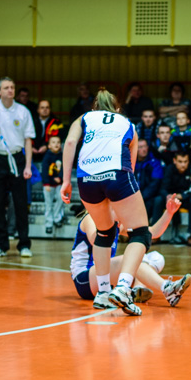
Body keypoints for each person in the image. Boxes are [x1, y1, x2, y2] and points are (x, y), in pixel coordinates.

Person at [61, 87, 150, 316]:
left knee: (104, 232)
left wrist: (66, 181)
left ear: (95, 107)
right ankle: (123, 288)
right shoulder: (127, 123)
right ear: (117, 108)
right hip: (117, 174)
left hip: (86, 178)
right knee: (140, 233)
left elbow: (70, 143)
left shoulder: (84, 118)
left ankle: (102, 293)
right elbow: (131, 166)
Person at [70, 195, 191, 308]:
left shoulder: (116, 224)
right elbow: (96, 241)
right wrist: (116, 225)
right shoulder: (90, 218)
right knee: (130, 259)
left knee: (156, 258)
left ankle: (138, 289)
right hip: (84, 280)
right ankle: (166, 288)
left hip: (106, 278)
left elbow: (153, 233)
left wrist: (169, 213)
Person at [0, 77, 36, 258]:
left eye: (12, 87)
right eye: (6, 88)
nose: (10, 90)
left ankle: (24, 244)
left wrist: (28, 166)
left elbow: (28, 140)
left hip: (17, 158)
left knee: (20, 203)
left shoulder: (23, 111)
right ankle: (0, 245)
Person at [152, 151, 191, 245]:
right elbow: (163, 188)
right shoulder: (169, 169)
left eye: (185, 161)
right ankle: (155, 234)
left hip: (185, 198)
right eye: (180, 161)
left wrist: (182, 196)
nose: (183, 164)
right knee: (158, 200)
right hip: (171, 198)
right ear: (174, 161)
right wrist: (168, 196)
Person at [134, 138, 164, 220]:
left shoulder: (154, 163)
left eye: (145, 146)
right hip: (134, 196)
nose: (143, 149)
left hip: (148, 196)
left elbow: (154, 184)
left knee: (154, 202)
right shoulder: (131, 162)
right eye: (140, 147)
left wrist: (140, 198)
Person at [41, 135, 64, 234]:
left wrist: (61, 177)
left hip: (59, 184)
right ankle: (49, 223)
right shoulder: (47, 156)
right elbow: (44, 170)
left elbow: (64, 168)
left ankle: (57, 218)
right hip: (48, 185)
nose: (56, 144)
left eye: (58, 142)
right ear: (49, 145)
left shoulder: (62, 156)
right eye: (53, 142)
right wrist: (46, 183)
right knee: (48, 204)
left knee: (60, 200)